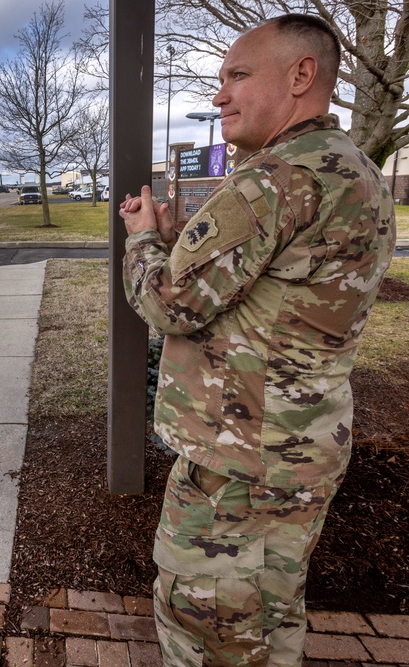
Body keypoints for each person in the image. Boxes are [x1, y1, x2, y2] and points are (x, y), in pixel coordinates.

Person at [118, 14, 396, 667]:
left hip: (238, 466)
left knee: (208, 629)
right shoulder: (356, 172)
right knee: (271, 618)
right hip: (302, 450)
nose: (220, 95)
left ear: (301, 75)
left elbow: (170, 304)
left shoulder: (272, 180)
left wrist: (144, 238)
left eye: (238, 75)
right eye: (220, 80)